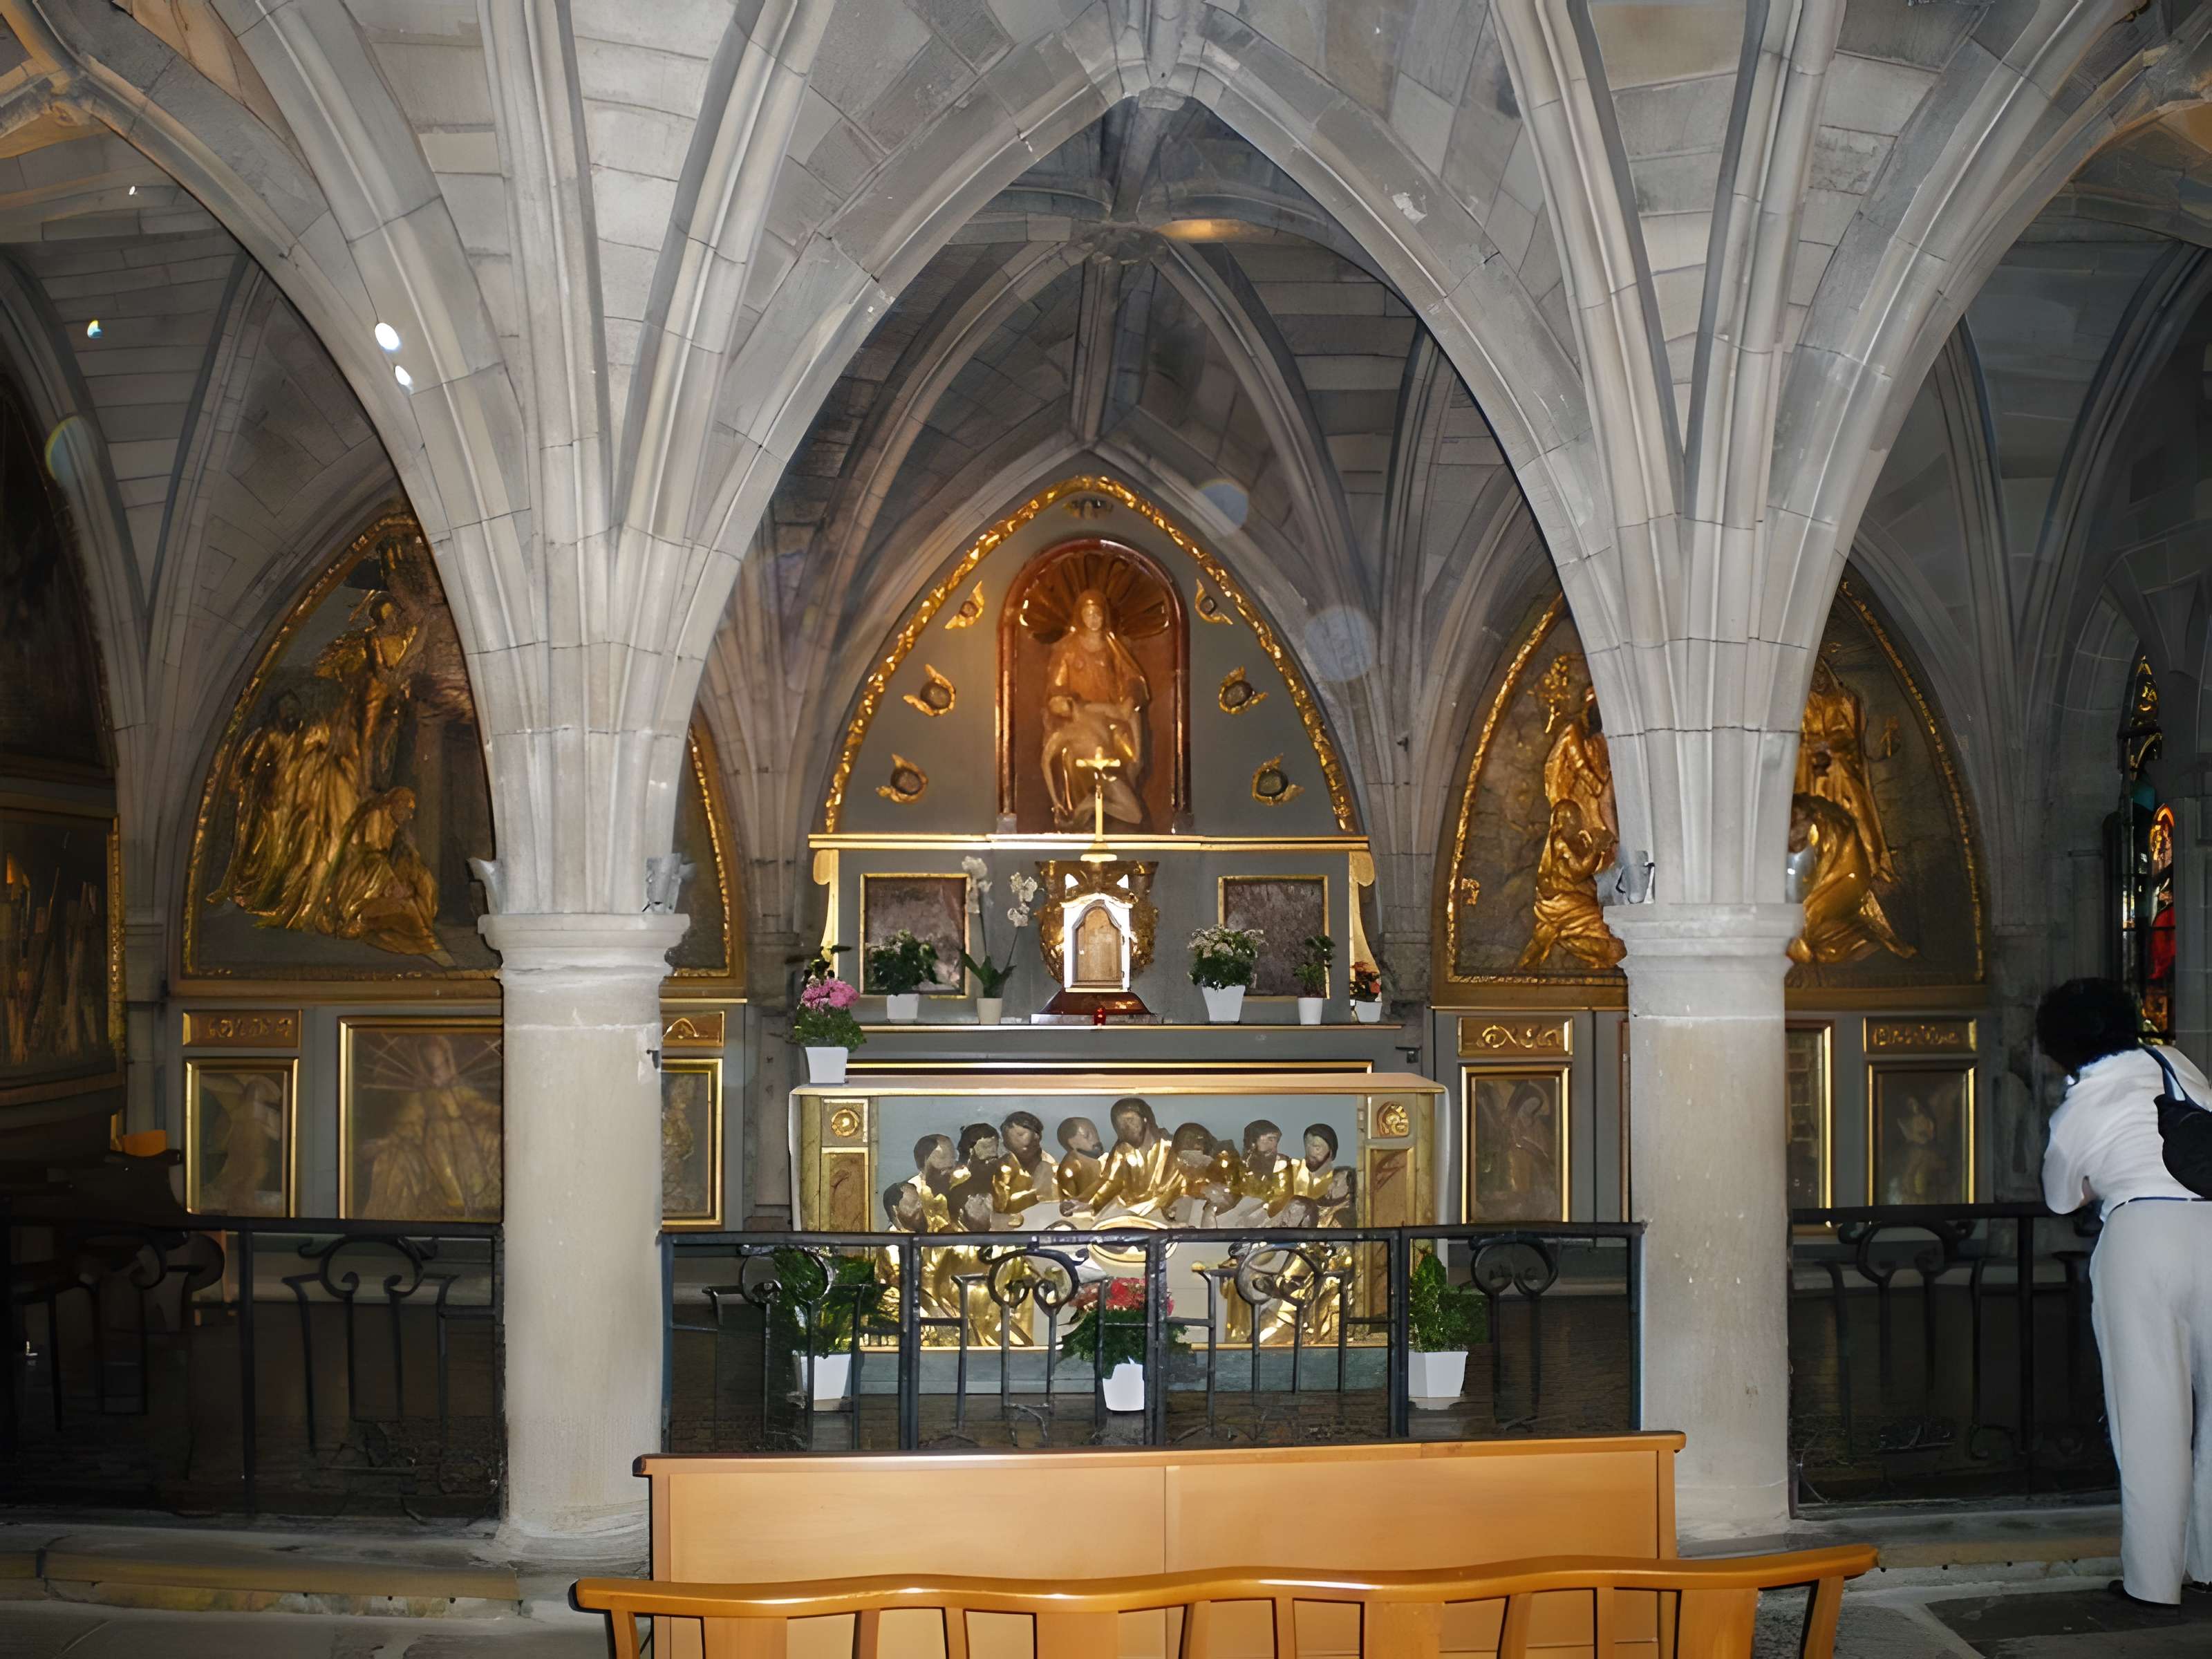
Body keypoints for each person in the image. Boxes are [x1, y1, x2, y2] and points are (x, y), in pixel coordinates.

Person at [2037, 976, 2212, 1608]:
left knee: (2151, 1414)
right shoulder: (2178, 1063)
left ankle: (2153, 1584)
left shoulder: (2084, 1100)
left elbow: (2061, 1196)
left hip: (2142, 1234)